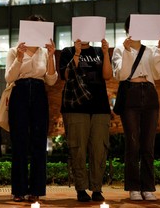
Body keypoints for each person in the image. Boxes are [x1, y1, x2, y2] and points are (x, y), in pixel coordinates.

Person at [5, 14, 58, 203]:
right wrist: (19, 58)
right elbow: (9, 78)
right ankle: (18, 190)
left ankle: (36, 189)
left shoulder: (45, 52)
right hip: (19, 93)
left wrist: (52, 56)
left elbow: (51, 80)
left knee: (38, 142)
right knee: (19, 142)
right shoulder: (14, 50)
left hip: (38, 92)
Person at [111, 15, 160, 201]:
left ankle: (148, 187)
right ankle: (134, 187)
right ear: (128, 29)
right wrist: (126, 51)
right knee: (133, 143)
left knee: (148, 145)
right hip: (130, 93)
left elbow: (157, 74)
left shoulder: (150, 50)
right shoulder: (119, 49)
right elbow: (121, 74)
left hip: (150, 93)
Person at [59, 38, 112, 202]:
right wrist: (76, 53)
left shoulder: (98, 51)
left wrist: (105, 53)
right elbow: (66, 75)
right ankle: (81, 189)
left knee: (99, 150)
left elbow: (107, 75)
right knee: (77, 149)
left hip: (100, 107)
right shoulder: (68, 51)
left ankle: (97, 188)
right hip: (76, 107)